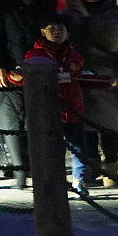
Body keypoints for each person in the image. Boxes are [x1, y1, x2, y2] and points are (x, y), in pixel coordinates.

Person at [0, 0, 54, 186]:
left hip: (38, 65)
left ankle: (37, 166)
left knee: (36, 119)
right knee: (11, 119)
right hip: (10, 64)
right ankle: (19, 169)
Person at [7, 16, 92, 193]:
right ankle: (55, 183)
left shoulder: (75, 56)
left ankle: (79, 182)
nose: (56, 32)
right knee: (52, 151)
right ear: (43, 32)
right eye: (51, 28)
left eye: (61, 29)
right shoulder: (34, 56)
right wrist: (14, 76)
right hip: (47, 112)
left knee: (79, 150)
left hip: (73, 110)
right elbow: (24, 77)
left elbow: (82, 76)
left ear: (67, 34)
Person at [64, 0, 118, 186]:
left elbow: (112, 41)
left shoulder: (111, 11)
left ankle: (110, 166)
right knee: (86, 120)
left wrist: (87, 18)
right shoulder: (69, 12)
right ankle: (91, 165)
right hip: (78, 73)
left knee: (108, 121)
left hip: (104, 73)